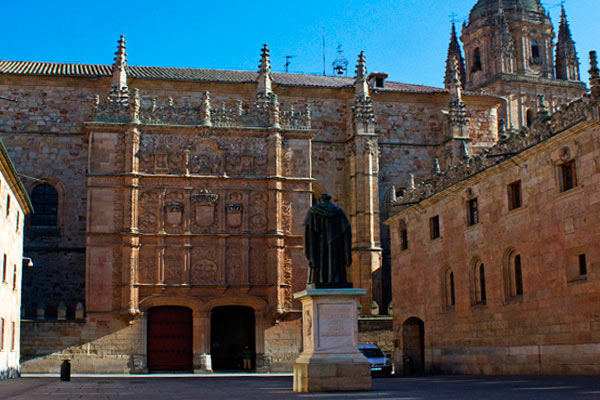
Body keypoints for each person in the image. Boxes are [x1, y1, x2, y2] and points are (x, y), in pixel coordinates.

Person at [304, 193, 352, 288]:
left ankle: (321, 280)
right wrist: (347, 254)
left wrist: (310, 252)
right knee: (335, 261)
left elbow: (309, 232)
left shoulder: (313, 211)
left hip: (319, 246)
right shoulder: (339, 212)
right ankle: (336, 280)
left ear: (320, 200)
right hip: (336, 246)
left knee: (321, 264)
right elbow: (346, 231)